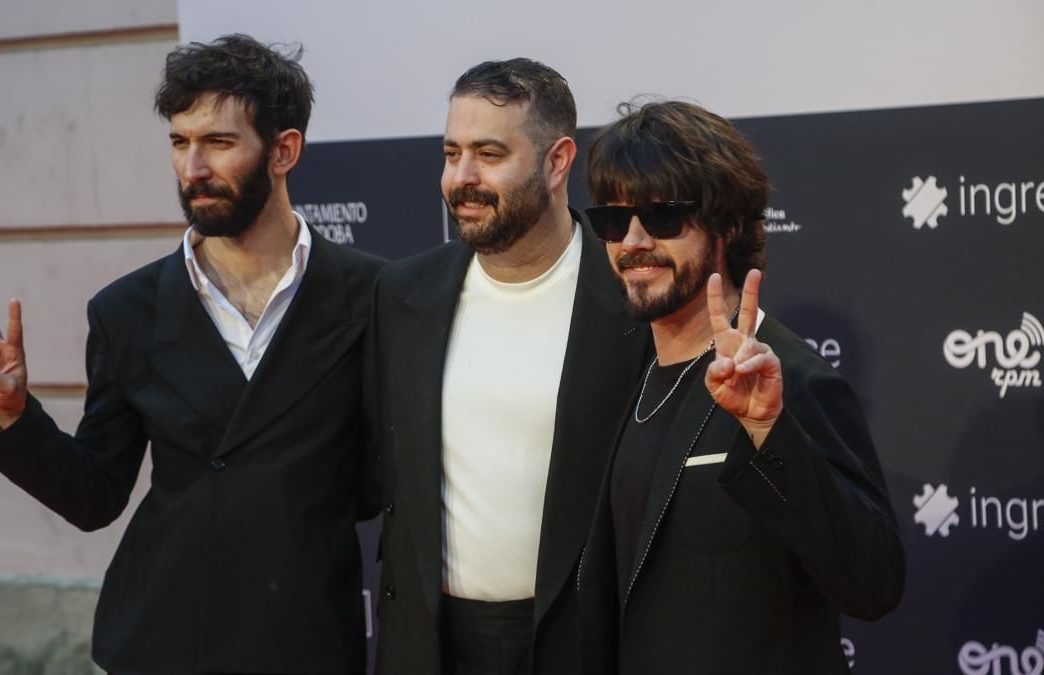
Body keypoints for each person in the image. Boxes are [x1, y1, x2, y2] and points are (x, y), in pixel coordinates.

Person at [0, 34, 384, 674]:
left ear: (284, 151)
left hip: (306, 636)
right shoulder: (126, 310)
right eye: (180, 142)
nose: (193, 168)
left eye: (218, 142)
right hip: (164, 640)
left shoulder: (372, 294)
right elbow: (96, 494)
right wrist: (16, 415)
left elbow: (381, 479)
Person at [575, 100, 905, 674]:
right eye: (612, 219)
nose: (631, 241)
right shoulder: (630, 381)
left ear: (726, 224)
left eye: (662, 216)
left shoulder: (793, 378)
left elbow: (873, 582)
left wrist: (767, 431)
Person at [365, 59, 649, 675]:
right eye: (450, 153)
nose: (461, 177)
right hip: (432, 642)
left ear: (557, 161)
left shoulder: (631, 294)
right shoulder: (403, 293)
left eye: (488, 154)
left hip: (584, 638)